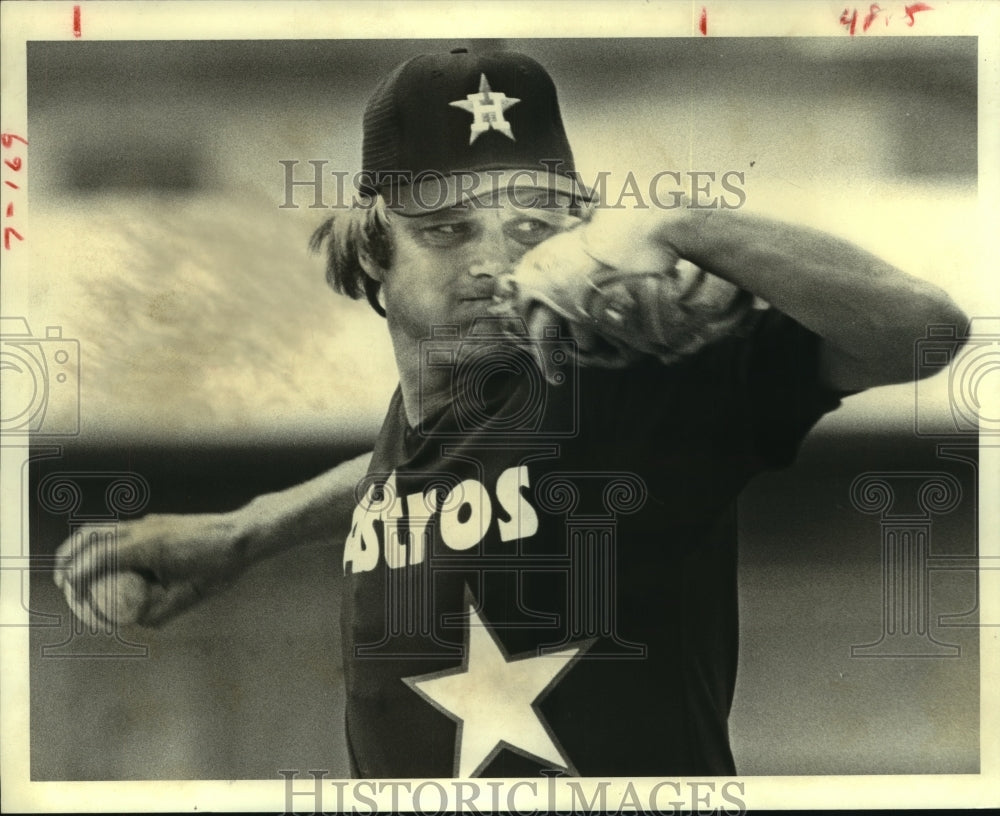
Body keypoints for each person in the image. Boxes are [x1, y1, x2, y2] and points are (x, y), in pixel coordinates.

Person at [54, 48, 966, 778]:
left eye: (532, 224)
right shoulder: (432, 422)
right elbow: (411, 481)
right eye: (446, 231)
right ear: (375, 252)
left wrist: (685, 225)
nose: (492, 263)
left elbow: (924, 332)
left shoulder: (630, 387)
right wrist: (243, 531)